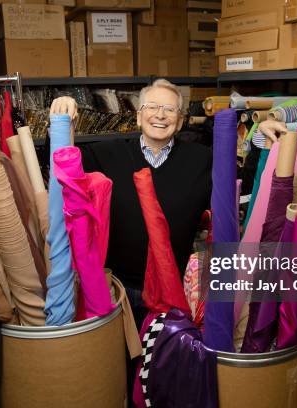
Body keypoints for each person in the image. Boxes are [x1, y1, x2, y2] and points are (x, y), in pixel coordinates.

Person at [50, 79, 212, 326]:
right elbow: (68, 173)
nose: (160, 115)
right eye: (152, 107)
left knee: (163, 360)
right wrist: (65, 121)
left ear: (180, 121)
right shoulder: (105, 154)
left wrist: (263, 139)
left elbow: (239, 193)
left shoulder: (202, 160)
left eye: (170, 110)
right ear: (138, 116)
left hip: (173, 289)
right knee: (117, 360)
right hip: (116, 290)